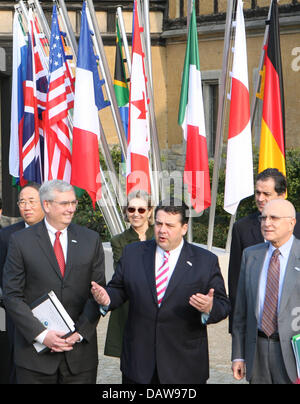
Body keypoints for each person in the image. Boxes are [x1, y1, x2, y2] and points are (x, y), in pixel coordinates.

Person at [92, 198, 230, 384]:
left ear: (184, 228)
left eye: (170, 225)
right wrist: (107, 298)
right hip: (139, 364)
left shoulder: (205, 261)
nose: (162, 230)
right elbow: (119, 288)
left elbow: (223, 304)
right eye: (158, 223)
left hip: (184, 367)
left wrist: (209, 308)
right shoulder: (133, 253)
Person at [3, 180, 105, 384]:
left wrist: (79, 333)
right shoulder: (21, 241)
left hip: (79, 359)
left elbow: (96, 293)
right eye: (64, 203)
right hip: (34, 358)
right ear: (47, 205)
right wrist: (41, 334)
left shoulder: (90, 240)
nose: (71, 209)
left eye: (73, 203)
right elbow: (12, 295)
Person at [232, 199, 300, 384]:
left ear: (291, 223)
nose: (266, 223)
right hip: (257, 352)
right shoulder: (251, 255)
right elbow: (241, 311)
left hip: (294, 355)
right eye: (263, 218)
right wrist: (238, 355)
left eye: (274, 218)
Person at [228, 168, 300, 332]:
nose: (260, 199)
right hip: (256, 329)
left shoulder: (298, 226)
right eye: (257, 193)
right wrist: (236, 329)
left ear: (281, 195)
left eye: (266, 194)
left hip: (293, 327)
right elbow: (236, 282)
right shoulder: (242, 228)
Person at [0, 183, 45, 384]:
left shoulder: (57, 232)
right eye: (22, 202)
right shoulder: (6, 236)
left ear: (45, 203)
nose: (26, 206)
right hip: (17, 317)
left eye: (31, 201)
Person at [104, 191, 154, 360]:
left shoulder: (161, 235)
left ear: (150, 211)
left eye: (141, 210)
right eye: (131, 209)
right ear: (126, 212)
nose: (136, 214)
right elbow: (123, 272)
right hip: (130, 306)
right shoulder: (118, 240)